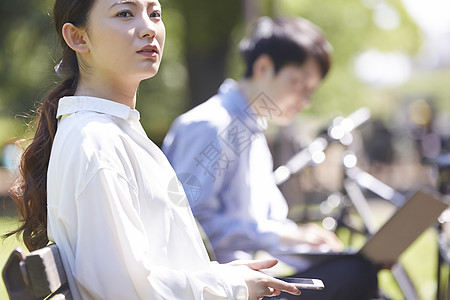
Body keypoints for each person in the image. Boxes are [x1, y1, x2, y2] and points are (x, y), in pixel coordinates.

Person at [5, 1, 302, 299]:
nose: (149, 28)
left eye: (155, 14)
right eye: (125, 13)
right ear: (78, 38)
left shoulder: (116, 131)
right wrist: (231, 286)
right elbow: (126, 290)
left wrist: (222, 275)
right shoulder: (96, 142)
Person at [163, 17, 380, 299]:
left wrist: (313, 248)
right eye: (299, 83)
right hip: (221, 289)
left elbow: (264, 227)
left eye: (311, 90)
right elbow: (188, 222)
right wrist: (284, 236)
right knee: (355, 275)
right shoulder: (212, 126)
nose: (305, 100)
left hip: (252, 281)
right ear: (264, 67)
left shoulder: (250, 128)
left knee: (356, 268)